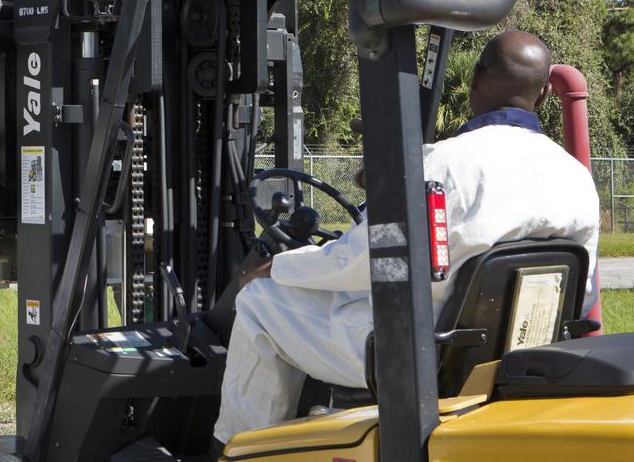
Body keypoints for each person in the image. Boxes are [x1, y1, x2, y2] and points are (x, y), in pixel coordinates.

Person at [214, 31, 601, 445]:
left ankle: (238, 448)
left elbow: (363, 262)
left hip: (422, 355)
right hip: (520, 353)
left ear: (474, 79)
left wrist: (279, 266)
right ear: (543, 95)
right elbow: (583, 289)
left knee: (260, 302)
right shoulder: (576, 177)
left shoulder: (444, 165)